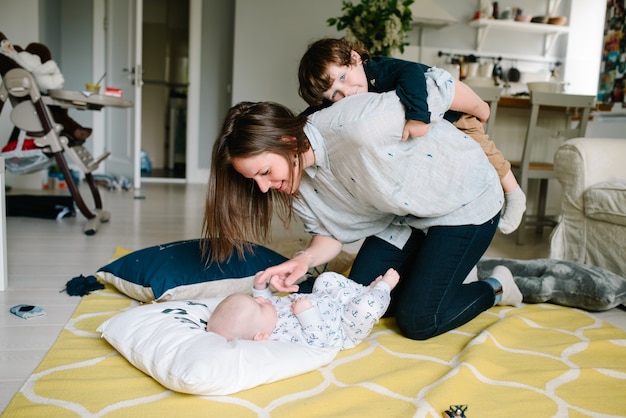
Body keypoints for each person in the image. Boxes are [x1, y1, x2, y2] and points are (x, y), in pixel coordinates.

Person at [202, 65, 522, 341]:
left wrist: (481, 110)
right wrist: (303, 260)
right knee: (355, 300)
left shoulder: (359, 123)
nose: (262, 187)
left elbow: (438, 86)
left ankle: (496, 286)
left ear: (287, 141)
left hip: (464, 203)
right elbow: (328, 234)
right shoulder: (296, 184)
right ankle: (439, 270)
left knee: (420, 319)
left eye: (265, 172)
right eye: (253, 180)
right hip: (402, 218)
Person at [297, 38, 526, 235]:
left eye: (344, 77)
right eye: (335, 93)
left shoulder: (378, 70)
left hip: (455, 116)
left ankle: (514, 192)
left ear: (356, 58)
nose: (347, 92)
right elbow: (319, 114)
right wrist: (297, 126)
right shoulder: (348, 104)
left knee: (486, 152)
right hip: (439, 138)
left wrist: (418, 117)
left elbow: (414, 74)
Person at [206, 268, 399, 350]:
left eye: (255, 300)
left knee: (325, 278)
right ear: (261, 336)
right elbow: (320, 342)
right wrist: (307, 315)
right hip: (344, 327)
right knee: (366, 307)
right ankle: (382, 289)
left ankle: (365, 290)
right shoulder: (281, 339)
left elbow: (262, 305)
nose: (263, 301)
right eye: (259, 305)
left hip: (328, 300)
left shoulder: (266, 316)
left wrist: (260, 288)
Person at [0, 32, 92, 145]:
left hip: (33, 95)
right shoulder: (14, 59)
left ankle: (74, 129)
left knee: (58, 109)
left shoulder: (19, 60)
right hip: (31, 100)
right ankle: (73, 130)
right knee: (54, 109)